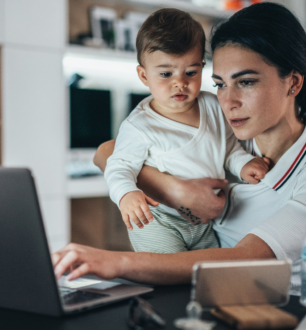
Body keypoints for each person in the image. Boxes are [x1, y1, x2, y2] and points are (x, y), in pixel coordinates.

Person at [53, 2, 306, 285]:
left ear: (293, 82)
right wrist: (175, 191)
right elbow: (106, 152)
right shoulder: (235, 132)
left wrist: (115, 261)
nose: (228, 102)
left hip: (270, 310)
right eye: (220, 84)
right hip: (208, 296)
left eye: (246, 82)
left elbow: (249, 256)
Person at [104, 8, 268, 254]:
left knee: (205, 277)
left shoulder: (212, 106)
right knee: (166, 275)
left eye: (190, 72)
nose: (179, 82)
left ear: (202, 67)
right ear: (143, 75)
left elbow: (228, 148)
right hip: (159, 221)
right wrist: (127, 194)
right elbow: (119, 166)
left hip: (203, 224)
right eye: (166, 73)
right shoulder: (139, 125)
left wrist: (243, 165)